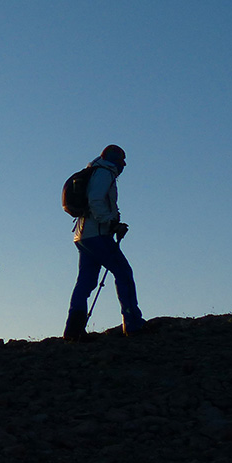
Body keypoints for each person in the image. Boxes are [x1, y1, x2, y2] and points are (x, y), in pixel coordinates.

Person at [64, 145, 143, 340]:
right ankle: (132, 324)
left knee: (86, 282)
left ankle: (73, 330)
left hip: (82, 235)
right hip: (97, 234)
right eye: (122, 160)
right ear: (115, 160)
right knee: (123, 273)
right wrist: (111, 222)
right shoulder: (105, 173)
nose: (124, 165)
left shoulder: (93, 171)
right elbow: (96, 200)